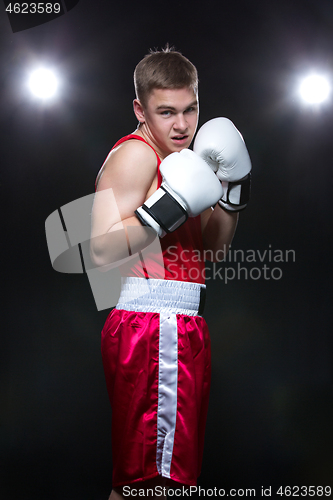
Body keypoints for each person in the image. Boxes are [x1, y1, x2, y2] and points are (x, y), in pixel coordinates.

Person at [90, 46, 251, 499]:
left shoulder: (189, 161)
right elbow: (99, 249)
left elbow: (212, 253)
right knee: (149, 483)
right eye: (166, 112)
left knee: (168, 479)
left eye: (190, 109)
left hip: (182, 324)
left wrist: (232, 193)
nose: (181, 125)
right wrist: (170, 205)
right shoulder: (137, 156)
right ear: (141, 110)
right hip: (151, 325)